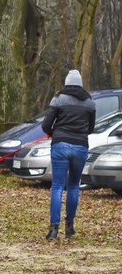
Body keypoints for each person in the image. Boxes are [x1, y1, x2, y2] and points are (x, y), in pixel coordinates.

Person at [41, 69, 96, 241]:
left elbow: (46, 125)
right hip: (80, 146)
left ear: (66, 83)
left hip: (60, 145)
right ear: (80, 84)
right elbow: (91, 129)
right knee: (73, 186)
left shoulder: (58, 99)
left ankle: (53, 229)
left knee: (57, 186)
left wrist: (54, 132)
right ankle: (70, 227)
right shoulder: (89, 102)